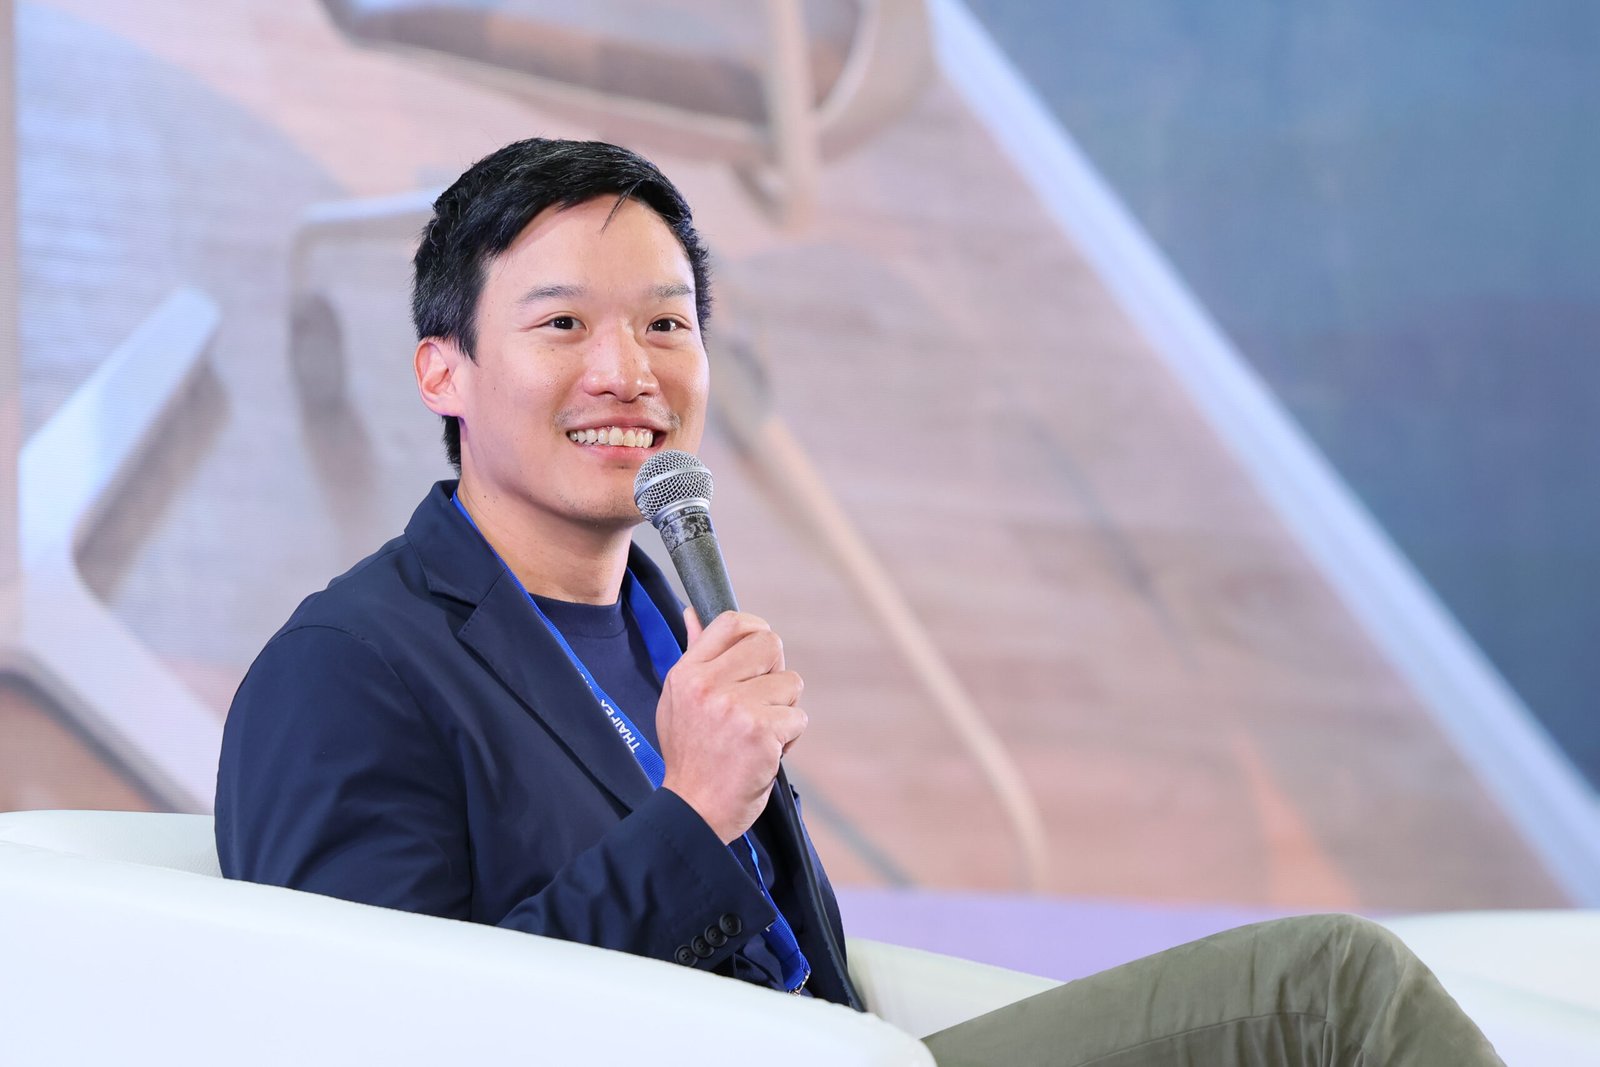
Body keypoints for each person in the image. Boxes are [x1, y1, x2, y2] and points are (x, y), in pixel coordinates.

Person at [216, 138, 1503, 1065]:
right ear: (442, 371)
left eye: (666, 325)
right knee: (1330, 992)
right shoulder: (348, 664)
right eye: (562, 326)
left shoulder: (667, 620)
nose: (626, 371)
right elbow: (384, 1034)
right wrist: (691, 811)